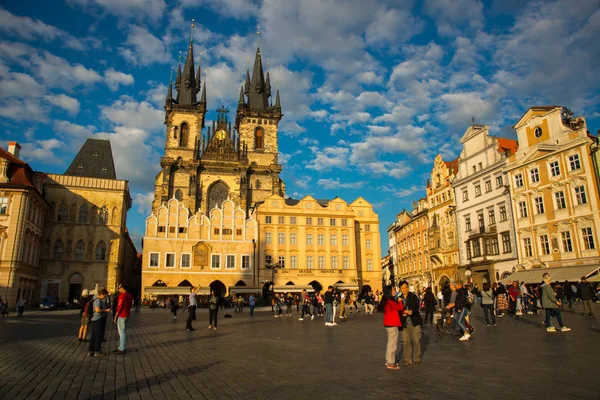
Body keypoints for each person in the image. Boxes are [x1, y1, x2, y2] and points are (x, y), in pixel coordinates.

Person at [398, 281, 423, 365]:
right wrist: (402, 313)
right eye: (402, 288)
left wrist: (412, 311)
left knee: (416, 340)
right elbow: (396, 310)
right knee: (406, 341)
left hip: (414, 321)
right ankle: (407, 358)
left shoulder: (413, 296)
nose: (405, 289)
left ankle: (417, 358)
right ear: (400, 289)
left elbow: (417, 306)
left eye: (406, 287)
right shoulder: (398, 298)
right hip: (404, 323)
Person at [379, 287, 404, 370]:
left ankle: (388, 360)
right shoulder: (390, 302)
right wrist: (400, 301)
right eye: (393, 290)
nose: (395, 292)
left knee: (390, 343)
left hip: (388, 324)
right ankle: (391, 362)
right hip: (392, 324)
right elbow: (400, 308)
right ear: (389, 292)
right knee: (393, 345)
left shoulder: (387, 301)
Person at [88, 289, 110, 357]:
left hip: (94, 319)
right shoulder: (97, 300)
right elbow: (97, 310)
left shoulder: (95, 299)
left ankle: (91, 351)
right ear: (102, 294)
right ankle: (97, 351)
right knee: (98, 336)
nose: (105, 297)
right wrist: (106, 310)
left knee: (93, 335)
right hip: (97, 319)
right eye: (105, 296)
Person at [113, 283, 133, 355]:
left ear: (123, 288)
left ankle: (122, 348)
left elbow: (119, 306)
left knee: (121, 332)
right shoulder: (129, 295)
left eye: (119, 288)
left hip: (121, 315)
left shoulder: (122, 296)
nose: (118, 289)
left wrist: (115, 316)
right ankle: (120, 347)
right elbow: (130, 305)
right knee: (123, 332)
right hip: (127, 314)